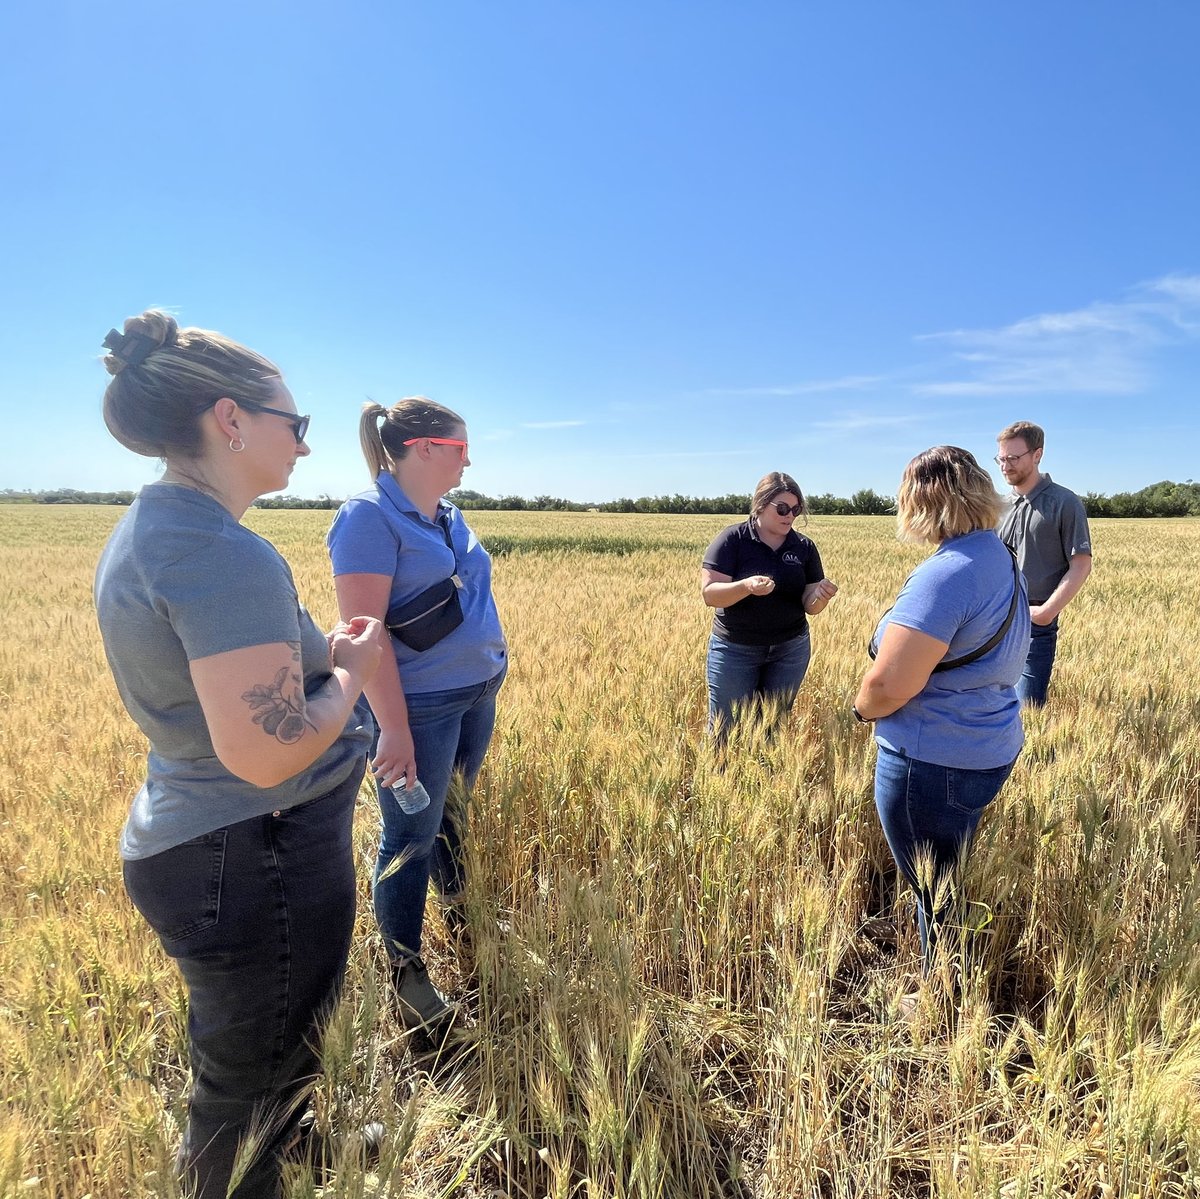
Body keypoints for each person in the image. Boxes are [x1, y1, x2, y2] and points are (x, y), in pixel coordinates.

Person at [93, 312, 385, 1198]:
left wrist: (316, 661)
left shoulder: (165, 526)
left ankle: (288, 1145)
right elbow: (268, 751)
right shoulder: (218, 550)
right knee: (245, 1087)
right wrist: (355, 673)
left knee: (262, 1050)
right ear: (231, 420)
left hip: (224, 845)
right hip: (254, 848)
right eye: (294, 424)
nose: (302, 444)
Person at [327, 398, 507, 1038]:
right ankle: (404, 970)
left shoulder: (448, 515)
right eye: (460, 448)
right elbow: (365, 635)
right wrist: (394, 730)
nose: (469, 459)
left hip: (476, 692)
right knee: (409, 837)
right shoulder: (369, 519)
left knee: (453, 811)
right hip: (421, 710)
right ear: (425, 448)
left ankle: (461, 913)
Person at [853, 446, 1029, 987]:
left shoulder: (946, 575)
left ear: (919, 504)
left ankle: (940, 996)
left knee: (935, 892)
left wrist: (861, 709)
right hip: (988, 745)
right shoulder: (997, 556)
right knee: (947, 876)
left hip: (932, 759)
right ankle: (956, 977)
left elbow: (887, 685)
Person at [700, 471, 838, 740]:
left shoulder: (804, 547)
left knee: (772, 729)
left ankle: (766, 782)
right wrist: (746, 587)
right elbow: (710, 595)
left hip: (790, 650)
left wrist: (821, 596)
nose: (790, 515)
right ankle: (719, 781)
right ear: (761, 504)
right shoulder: (733, 540)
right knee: (723, 729)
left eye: (796, 510)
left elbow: (810, 606)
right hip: (735, 650)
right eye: (783, 508)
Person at [995, 420, 1093, 707]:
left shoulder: (1065, 502)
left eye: (1014, 457)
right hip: (996, 618)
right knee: (994, 708)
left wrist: (1047, 612)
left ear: (1037, 455)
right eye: (1002, 458)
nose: (1005, 465)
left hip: (1036, 620)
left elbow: (1081, 563)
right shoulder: (998, 506)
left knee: (1028, 708)